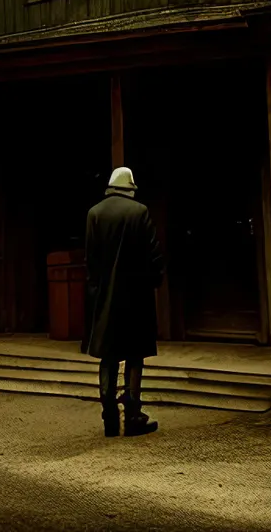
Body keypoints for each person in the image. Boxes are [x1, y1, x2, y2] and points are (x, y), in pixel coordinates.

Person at [81, 165, 164, 437]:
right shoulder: (139, 212)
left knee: (108, 356)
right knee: (134, 355)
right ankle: (133, 416)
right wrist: (153, 282)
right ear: (130, 186)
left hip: (104, 296)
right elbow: (154, 255)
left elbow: (90, 261)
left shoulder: (94, 213)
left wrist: (95, 292)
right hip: (135, 296)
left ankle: (109, 417)